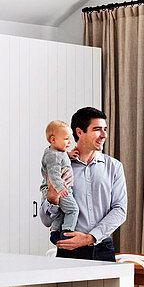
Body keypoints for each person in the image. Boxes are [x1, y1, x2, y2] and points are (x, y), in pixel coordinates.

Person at [39, 106, 126, 262]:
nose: (104, 135)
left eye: (105, 129)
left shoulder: (114, 167)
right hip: (68, 252)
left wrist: (90, 238)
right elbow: (46, 220)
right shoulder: (58, 166)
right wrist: (52, 199)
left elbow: (120, 210)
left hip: (103, 249)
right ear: (79, 132)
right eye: (97, 129)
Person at [40, 120, 79, 244]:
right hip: (60, 188)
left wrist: (68, 154)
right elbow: (53, 174)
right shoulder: (54, 156)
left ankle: (55, 231)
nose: (70, 142)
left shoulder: (56, 152)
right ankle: (67, 232)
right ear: (53, 140)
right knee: (73, 210)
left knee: (61, 212)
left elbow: (59, 159)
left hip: (60, 188)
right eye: (66, 139)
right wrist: (60, 188)